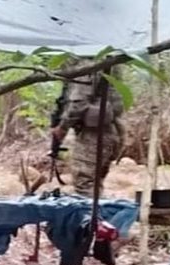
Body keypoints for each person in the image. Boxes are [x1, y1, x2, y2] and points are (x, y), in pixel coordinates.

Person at [51, 66, 126, 198]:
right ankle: (99, 216)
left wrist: (63, 127)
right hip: (111, 130)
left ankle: (92, 218)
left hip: (94, 134)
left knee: (84, 183)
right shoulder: (110, 62)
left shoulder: (88, 66)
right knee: (95, 183)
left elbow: (79, 103)